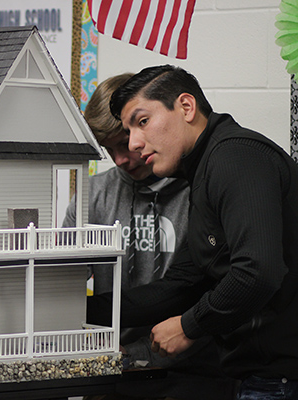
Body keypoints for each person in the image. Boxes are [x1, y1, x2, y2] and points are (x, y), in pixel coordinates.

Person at [88, 64, 298, 399]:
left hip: (279, 381)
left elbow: (259, 271)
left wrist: (190, 325)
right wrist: (76, 312)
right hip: (260, 379)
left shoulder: (236, 157)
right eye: (129, 132)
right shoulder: (204, 173)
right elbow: (182, 285)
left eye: (142, 122)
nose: (135, 144)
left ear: (186, 107)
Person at [63, 74, 236, 399]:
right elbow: (60, 286)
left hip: (193, 373)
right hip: (111, 373)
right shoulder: (92, 197)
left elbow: (226, 288)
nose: (120, 158)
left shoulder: (198, 191)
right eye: (108, 148)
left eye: (123, 141)